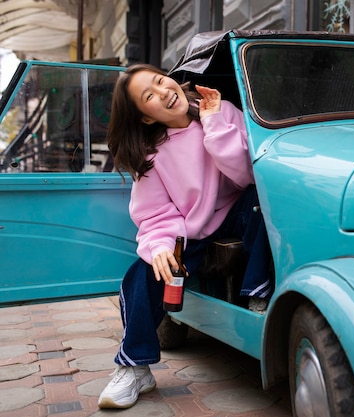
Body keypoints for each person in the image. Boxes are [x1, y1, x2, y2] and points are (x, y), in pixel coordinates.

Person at [98, 63, 271, 409]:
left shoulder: (221, 111)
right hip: (190, 231)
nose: (163, 91)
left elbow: (248, 175)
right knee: (143, 273)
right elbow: (155, 214)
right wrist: (161, 247)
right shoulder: (152, 155)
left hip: (239, 209)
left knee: (264, 200)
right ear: (146, 118)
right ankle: (135, 367)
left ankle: (257, 295)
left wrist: (213, 123)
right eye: (149, 95)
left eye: (161, 81)